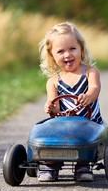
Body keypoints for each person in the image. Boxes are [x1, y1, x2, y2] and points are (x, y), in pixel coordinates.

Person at [38, 21, 104, 182]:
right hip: (64, 123)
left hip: (89, 122)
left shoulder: (89, 72)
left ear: (81, 49)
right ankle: (50, 165)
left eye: (72, 49)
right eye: (60, 51)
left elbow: (95, 88)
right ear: (52, 56)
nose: (67, 55)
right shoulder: (53, 81)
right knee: (49, 132)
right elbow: (55, 105)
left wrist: (88, 95)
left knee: (84, 138)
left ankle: (82, 166)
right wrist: (51, 107)